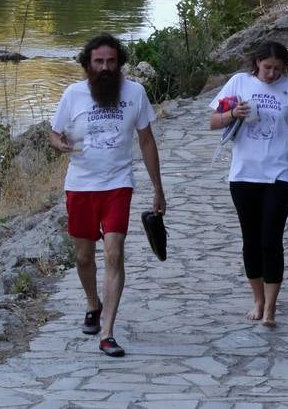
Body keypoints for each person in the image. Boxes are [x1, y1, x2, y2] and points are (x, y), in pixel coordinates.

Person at [50, 32, 165, 358]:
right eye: (98, 62)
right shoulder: (73, 94)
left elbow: (146, 141)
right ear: (88, 64)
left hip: (117, 185)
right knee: (84, 257)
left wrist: (158, 188)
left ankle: (108, 332)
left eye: (111, 61)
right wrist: (60, 144)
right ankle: (92, 303)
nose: (105, 67)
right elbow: (54, 134)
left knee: (114, 253)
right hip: (81, 186)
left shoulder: (135, 93)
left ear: (120, 64)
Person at [210, 41, 288, 328]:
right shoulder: (239, 83)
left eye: (277, 69)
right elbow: (213, 121)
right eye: (267, 68)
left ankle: (271, 307)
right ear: (256, 63)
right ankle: (258, 299)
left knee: (271, 239)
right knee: (251, 239)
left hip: (280, 173)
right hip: (244, 174)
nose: (272, 74)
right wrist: (232, 114)